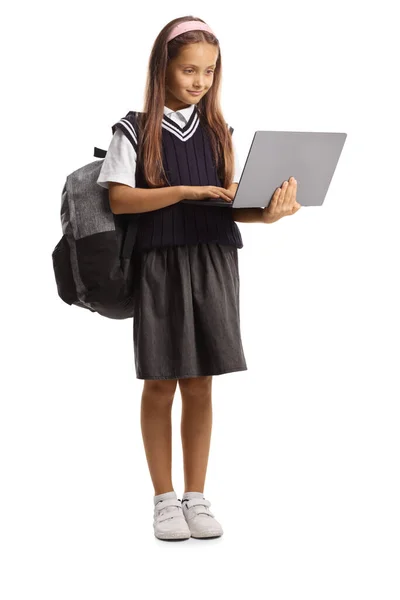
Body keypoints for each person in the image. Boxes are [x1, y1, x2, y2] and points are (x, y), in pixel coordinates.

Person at [96, 16, 301, 541]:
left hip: (214, 260)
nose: (199, 82)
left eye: (209, 72)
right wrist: (182, 191)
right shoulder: (132, 129)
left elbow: (227, 204)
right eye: (189, 70)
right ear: (162, 67)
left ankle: (196, 496)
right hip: (160, 261)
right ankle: (164, 499)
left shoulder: (218, 131)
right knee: (161, 379)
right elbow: (119, 197)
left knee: (201, 382)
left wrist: (268, 214)